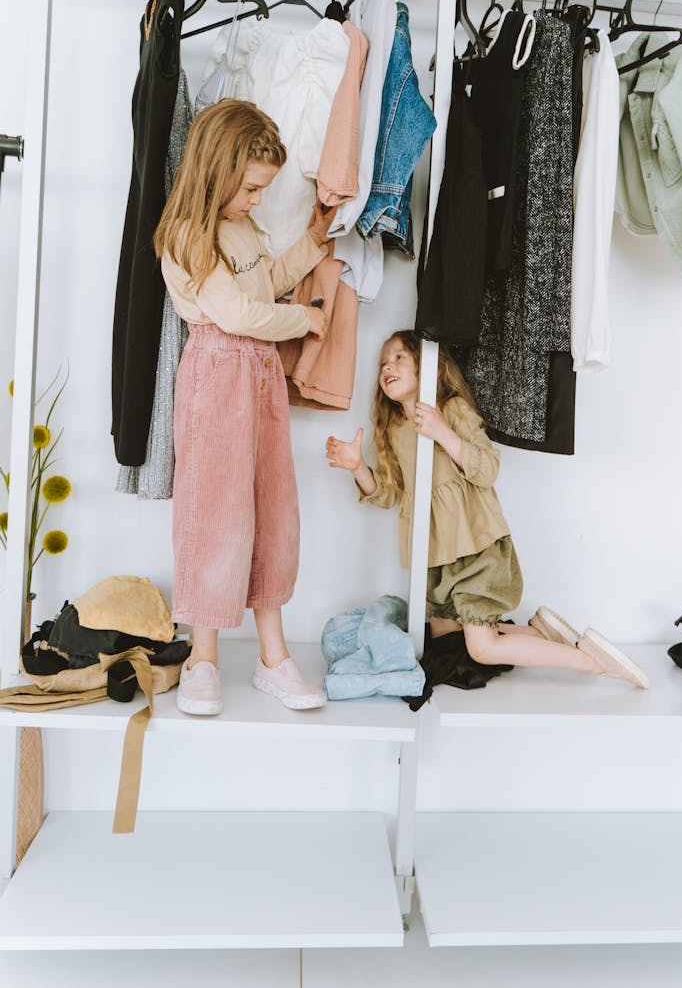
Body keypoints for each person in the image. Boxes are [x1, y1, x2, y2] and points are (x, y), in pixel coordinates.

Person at [326, 330, 649, 689]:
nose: (388, 366)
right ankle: (536, 631)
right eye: (384, 362)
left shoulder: (451, 410)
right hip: (433, 561)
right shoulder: (392, 430)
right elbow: (388, 495)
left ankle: (588, 659)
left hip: (473, 547)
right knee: (448, 645)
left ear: (430, 368)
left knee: (481, 650)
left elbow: (488, 468)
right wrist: (357, 466)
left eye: (400, 357)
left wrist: (443, 432)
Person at [154, 99, 332, 715]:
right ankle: (204, 657)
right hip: (218, 376)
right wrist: (304, 320)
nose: (258, 200)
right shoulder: (187, 234)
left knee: (272, 508)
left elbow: (265, 284)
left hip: (258, 377)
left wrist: (310, 245)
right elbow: (237, 314)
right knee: (217, 513)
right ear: (220, 171)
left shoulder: (241, 229)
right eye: (252, 188)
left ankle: (271, 656)